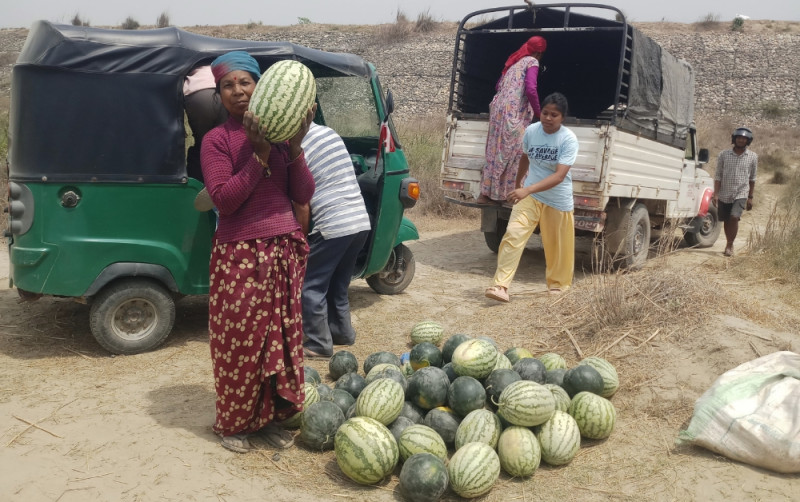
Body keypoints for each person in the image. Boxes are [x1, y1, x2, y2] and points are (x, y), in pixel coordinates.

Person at [200, 51, 316, 453]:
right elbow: (225, 202)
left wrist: (296, 147)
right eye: (228, 86)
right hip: (240, 255)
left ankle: (268, 419)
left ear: (259, 86)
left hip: (283, 249)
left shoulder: (283, 137)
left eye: (245, 82)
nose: (238, 91)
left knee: (279, 342)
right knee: (241, 343)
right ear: (219, 94)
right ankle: (234, 425)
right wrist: (259, 155)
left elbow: (302, 195)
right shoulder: (216, 141)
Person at [484, 92, 578, 302]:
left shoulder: (568, 139)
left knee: (557, 247)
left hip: (557, 200)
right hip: (530, 197)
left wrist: (527, 189)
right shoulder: (532, 131)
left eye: (554, 115)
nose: (548, 118)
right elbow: (525, 158)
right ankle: (500, 285)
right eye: (545, 113)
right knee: (513, 235)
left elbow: (559, 176)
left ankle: (558, 286)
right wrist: (519, 185)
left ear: (562, 118)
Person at [300, 121, 371, 359]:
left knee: (310, 284)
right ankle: (342, 332)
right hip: (359, 221)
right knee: (338, 283)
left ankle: (319, 344)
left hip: (333, 223)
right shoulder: (328, 132)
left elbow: (300, 199)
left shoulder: (295, 143)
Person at [477, 35, 547, 205]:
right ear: (539, 52)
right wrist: (539, 112)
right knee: (516, 153)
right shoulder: (532, 62)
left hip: (498, 111)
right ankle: (511, 196)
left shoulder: (514, 63)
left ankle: (486, 194)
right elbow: (531, 88)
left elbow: (498, 86)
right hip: (513, 113)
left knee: (495, 152)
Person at [712, 127, 757, 257]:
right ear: (734, 139)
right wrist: (716, 194)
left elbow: (752, 178)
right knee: (726, 219)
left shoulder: (753, 157)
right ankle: (728, 241)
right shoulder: (723, 155)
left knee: (734, 217)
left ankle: (730, 245)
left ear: (748, 141)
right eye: (739, 138)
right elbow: (718, 176)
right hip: (725, 192)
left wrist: (750, 197)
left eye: (744, 139)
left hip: (741, 192)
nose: (741, 140)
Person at [184, 65, 228, 182]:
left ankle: (199, 186)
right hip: (226, 88)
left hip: (198, 92)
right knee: (227, 144)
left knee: (202, 145)